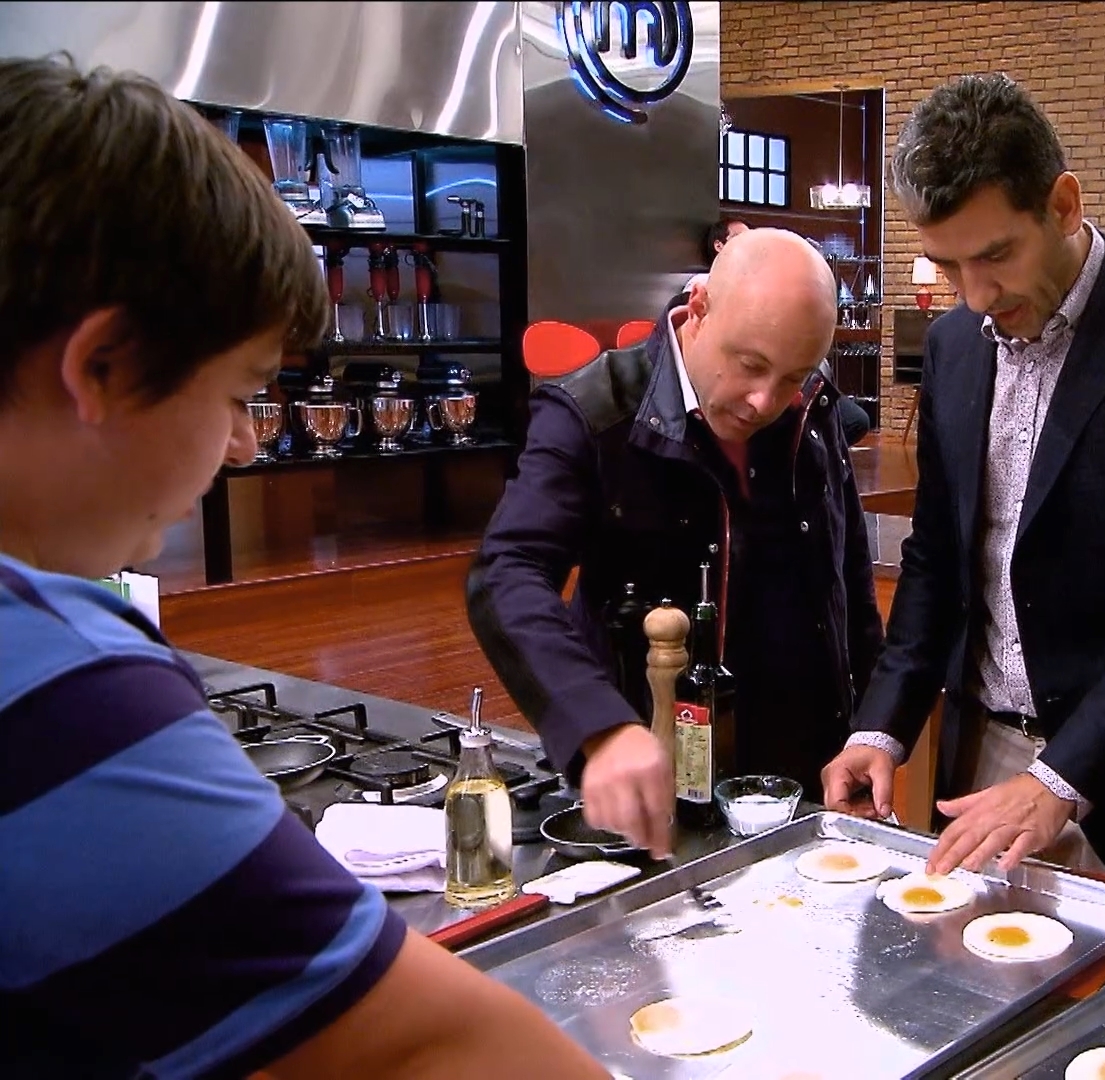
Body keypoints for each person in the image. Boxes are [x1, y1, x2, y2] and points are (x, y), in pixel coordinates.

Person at [0, 55, 604, 1078]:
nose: (244, 445)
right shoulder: (63, 688)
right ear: (101, 366)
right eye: (240, 394)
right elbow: (426, 1048)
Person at [820, 74, 1105, 881]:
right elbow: (935, 561)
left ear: (1063, 205)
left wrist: (1060, 777)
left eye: (995, 256)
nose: (976, 295)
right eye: (948, 265)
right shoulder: (952, 345)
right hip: (982, 756)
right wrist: (880, 727)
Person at [469, 227, 882, 851]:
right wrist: (598, 725)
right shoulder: (596, 411)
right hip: (653, 776)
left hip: (805, 782)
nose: (764, 400)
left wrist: (870, 729)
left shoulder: (813, 409)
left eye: (793, 376)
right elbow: (508, 571)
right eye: (750, 365)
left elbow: (849, 579)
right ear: (698, 309)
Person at [683, 216, 749, 293]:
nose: (747, 243)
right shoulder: (702, 283)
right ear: (718, 246)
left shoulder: (754, 283)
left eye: (749, 238)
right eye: (739, 238)